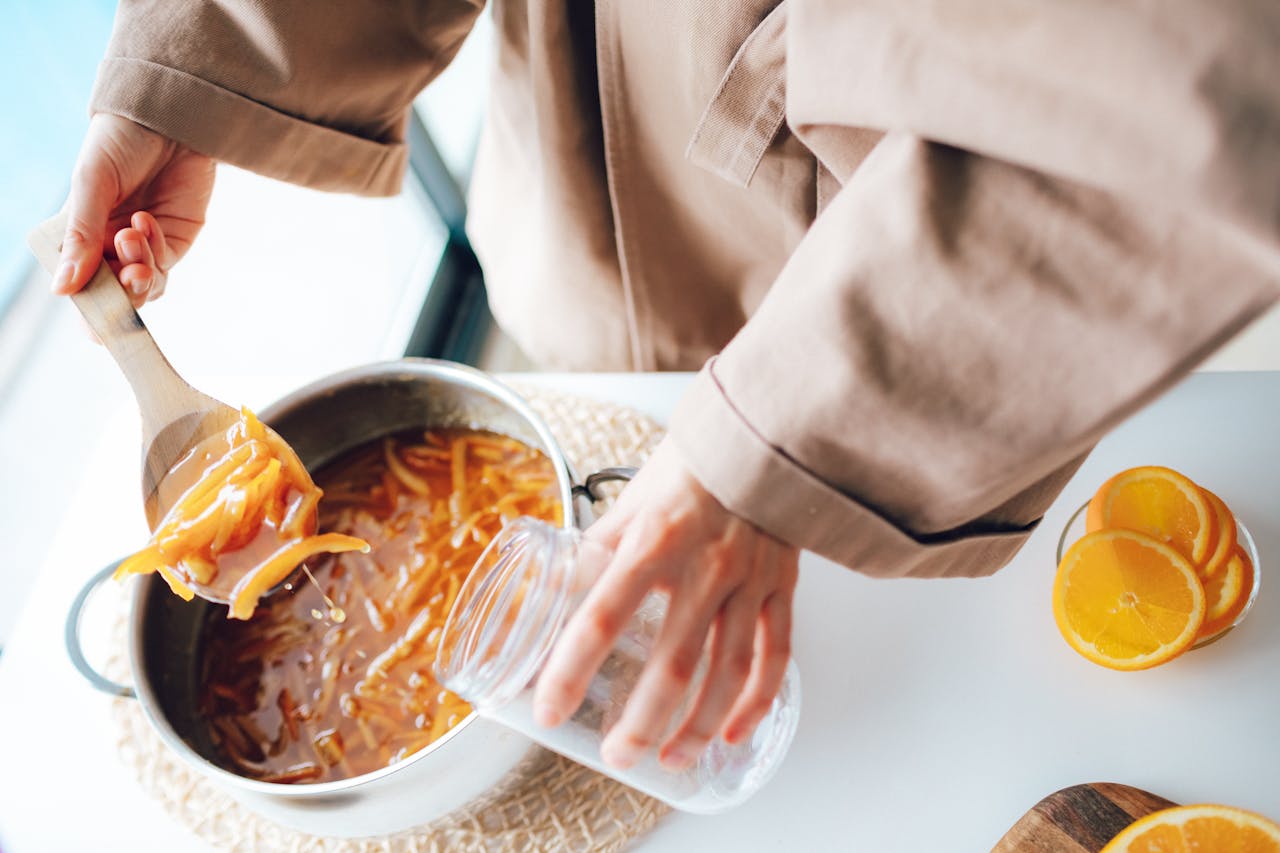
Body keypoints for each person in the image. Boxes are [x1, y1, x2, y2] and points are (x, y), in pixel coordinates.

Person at [53, 1, 1279, 774]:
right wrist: (210, 52)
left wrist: (788, 442)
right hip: (576, 238)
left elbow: (1205, 70)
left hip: (923, 349)